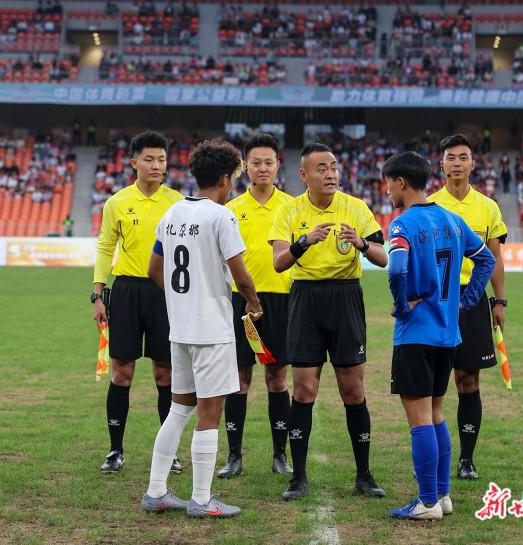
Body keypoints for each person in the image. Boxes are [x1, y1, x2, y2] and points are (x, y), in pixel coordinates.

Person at [141, 138, 263, 518]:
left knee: (179, 409)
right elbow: (240, 274)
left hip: (180, 330)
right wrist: (254, 302)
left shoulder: (173, 213)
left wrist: (183, 298)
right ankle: (201, 499)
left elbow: (153, 269)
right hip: (212, 331)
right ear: (226, 178)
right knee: (210, 413)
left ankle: (156, 491)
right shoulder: (221, 217)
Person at [268, 143, 388, 500]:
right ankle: (298, 477)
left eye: (333, 167)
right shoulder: (289, 211)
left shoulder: (356, 207)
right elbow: (279, 262)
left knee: (353, 389)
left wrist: (361, 244)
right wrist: (303, 243)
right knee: (304, 388)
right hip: (305, 299)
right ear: (304, 174)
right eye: (321, 168)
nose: (330, 174)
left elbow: (382, 257)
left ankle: (364, 475)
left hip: (346, 298)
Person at [384, 151, 495, 520]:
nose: (387, 192)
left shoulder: (402, 225)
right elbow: (487, 260)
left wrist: (401, 305)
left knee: (419, 419)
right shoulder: (453, 220)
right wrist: (467, 299)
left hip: (416, 335)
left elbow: (396, 270)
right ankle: (443, 496)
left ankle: (428, 501)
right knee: (435, 414)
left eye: (389, 184)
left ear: (401, 182)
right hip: (448, 335)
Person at [92, 131, 183, 473]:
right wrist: (98, 293)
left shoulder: (177, 202)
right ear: (134, 163)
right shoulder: (117, 202)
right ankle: (115, 450)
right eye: (149, 159)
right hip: (127, 291)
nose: (157, 165)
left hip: (165, 291)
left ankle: (169, 452)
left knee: (166, 373)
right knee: (122, 372)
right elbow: (105, 247)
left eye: (161, 159)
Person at [427, 134, 508, 481]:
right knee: (433, 383)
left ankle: (466, 460)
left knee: (469, 381)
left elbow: (496, 258)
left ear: (473, 164)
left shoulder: (488, 207)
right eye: (451, 157)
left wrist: (499, 300)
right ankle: (432, 457)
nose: (457, 163)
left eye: (463, 157)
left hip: (472, 299)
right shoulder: (429, 205)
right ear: (441, 164)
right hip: (436, 298)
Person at [217, 133, 294, 479]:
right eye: (256, 163)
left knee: (277, 378)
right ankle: (234, 456)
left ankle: (280, 455)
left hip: (281, 300)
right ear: (244, 167)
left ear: (278, 165)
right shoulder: (231, 210)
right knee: (239, 378)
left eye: (269, 162)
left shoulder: (292, 207)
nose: (263, 168)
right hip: (241, 302)